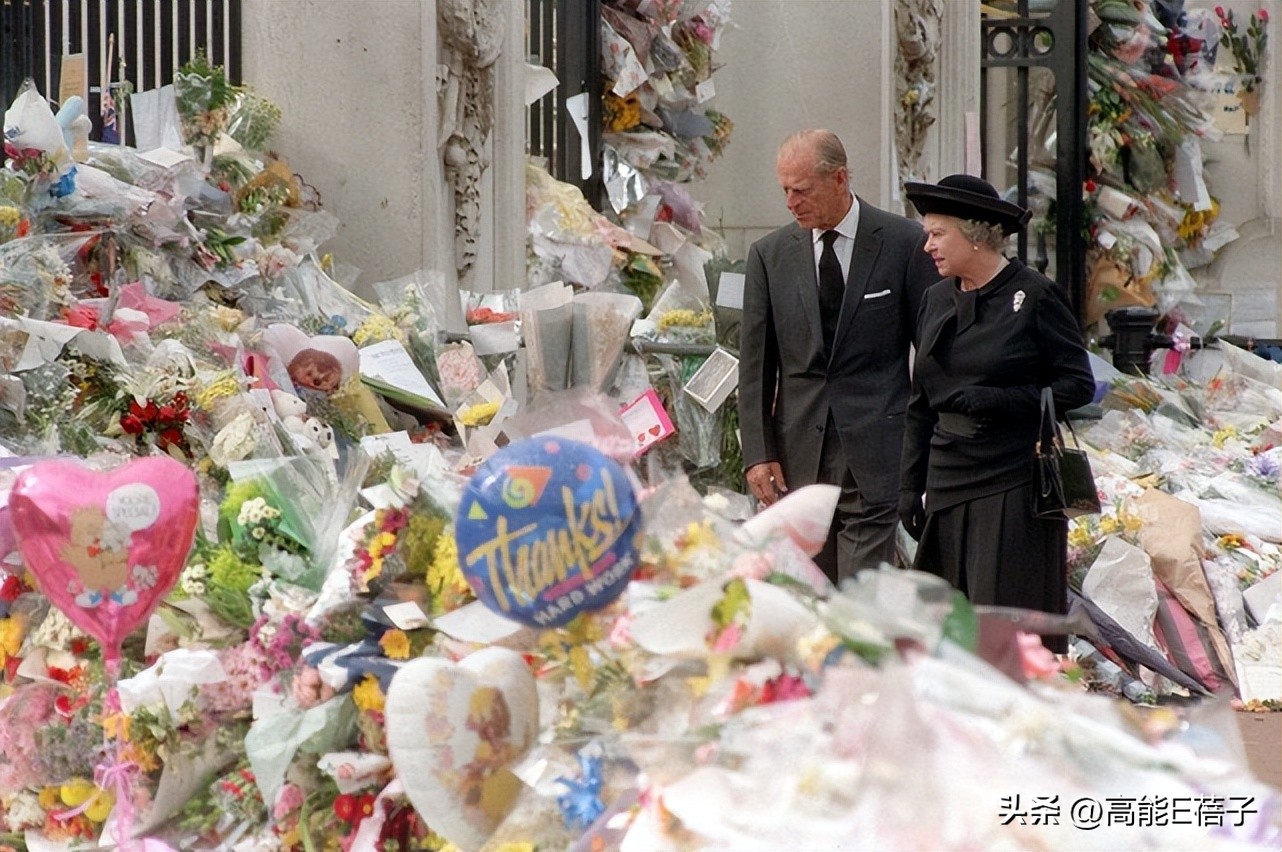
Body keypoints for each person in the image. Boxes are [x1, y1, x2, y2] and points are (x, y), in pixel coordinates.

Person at [898, 174, 1095, 648]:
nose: (927, 246)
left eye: (937, 234)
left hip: (1011, 484)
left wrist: (1003, 400)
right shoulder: (935, 299)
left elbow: (1078, 384)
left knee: (1003, 632)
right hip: (948, 481)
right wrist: (909, 485)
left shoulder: (1035, 296)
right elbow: (920, 402)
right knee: (944, 631)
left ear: (977, 234)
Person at [738, 129, 938, 584]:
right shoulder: (769, 257)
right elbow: (754, 367)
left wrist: (924, 446)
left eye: (801, 189)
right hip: (797, 456)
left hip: (878, 450)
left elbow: (929, 354)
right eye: (784, 189)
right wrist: (758, 453)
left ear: (840, 179)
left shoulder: (904, 243)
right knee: (806, 594)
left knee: (860, 596)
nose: (791, 202)